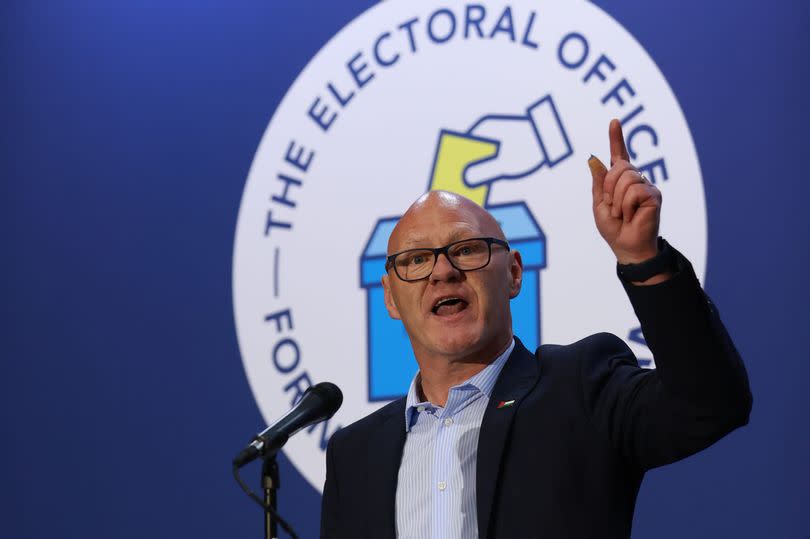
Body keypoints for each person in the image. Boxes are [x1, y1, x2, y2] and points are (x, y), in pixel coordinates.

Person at [320, 120, 752, 539]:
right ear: (391, 298)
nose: (443, 272)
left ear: (513, 274)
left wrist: (644, 259)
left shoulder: (582, 388)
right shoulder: (354, 456)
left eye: (466, 249)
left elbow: (711, 404)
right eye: (416, 260)